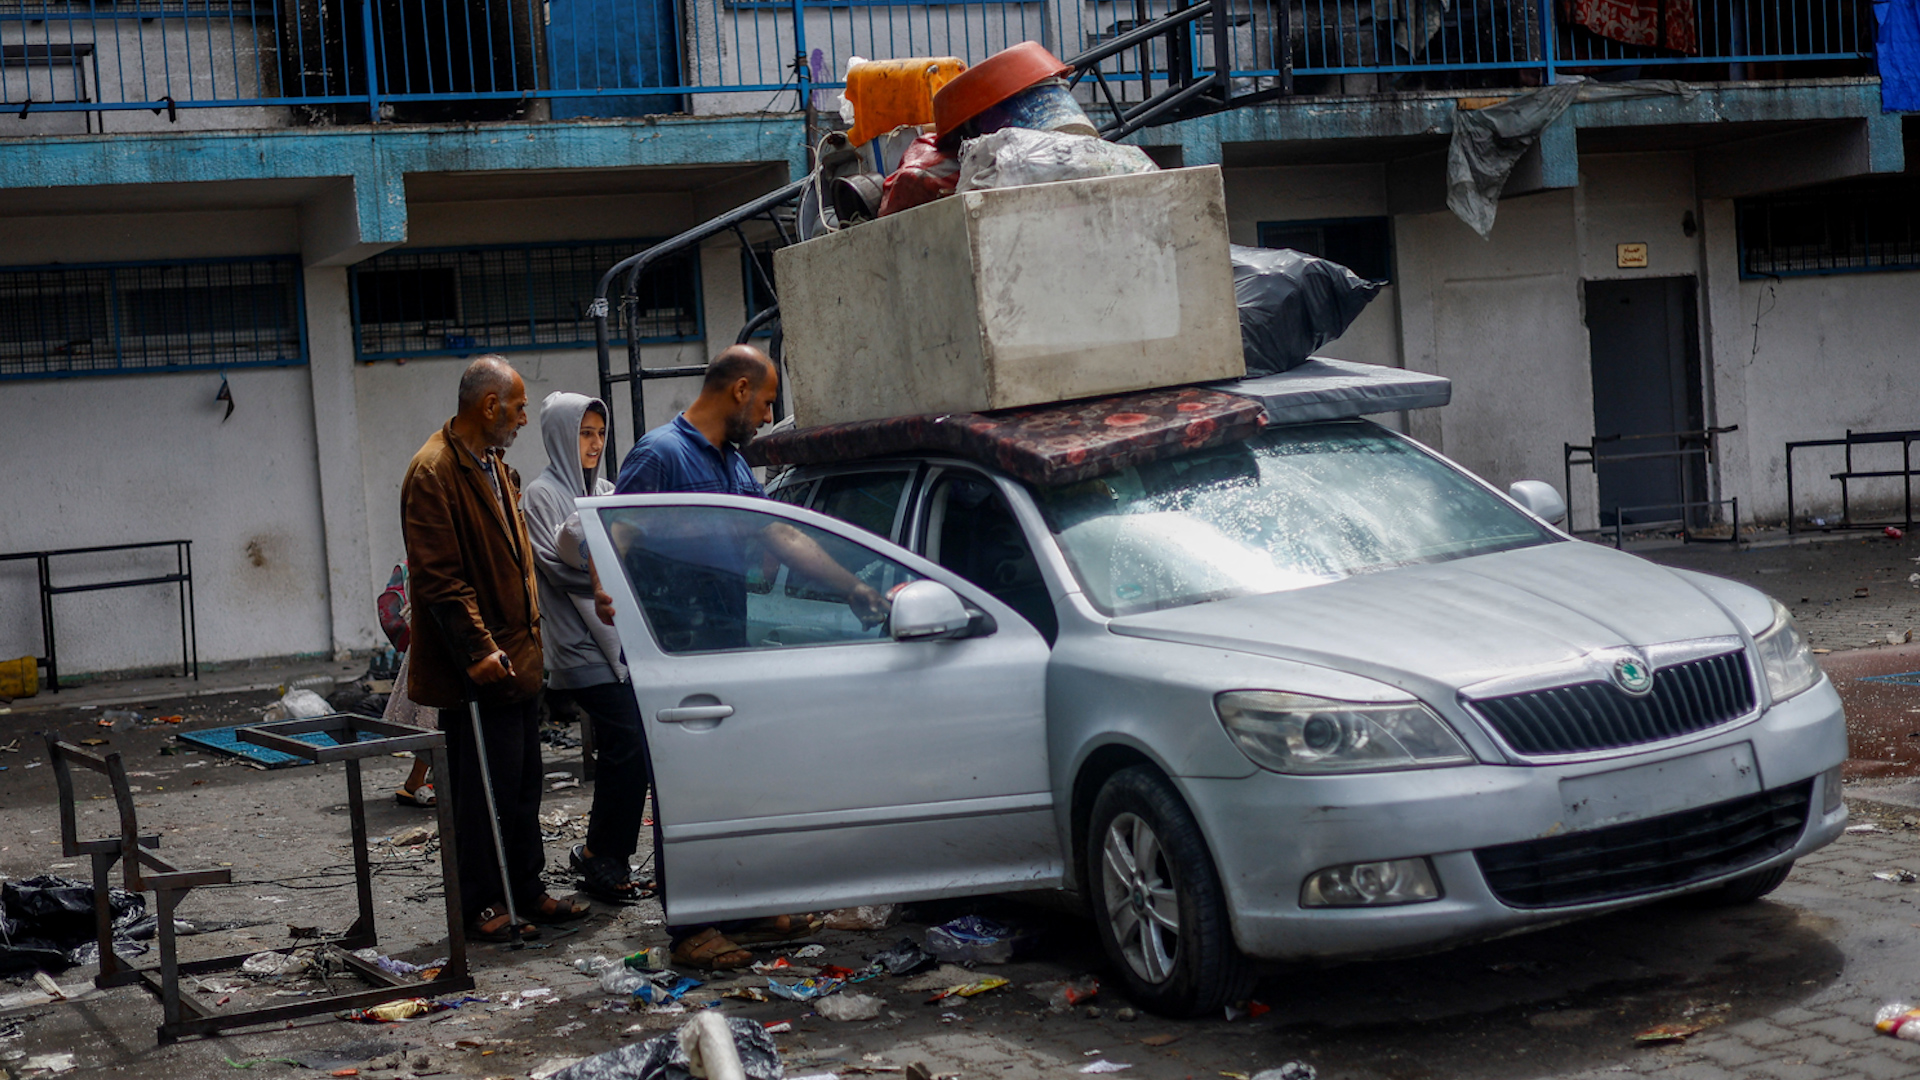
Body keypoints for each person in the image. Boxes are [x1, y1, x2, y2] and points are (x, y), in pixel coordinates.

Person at [608, 344, 886, 968]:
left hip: (721, 651)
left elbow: (778, 533)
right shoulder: (660, 456)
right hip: (675, 660)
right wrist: (614, 606)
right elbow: (615, 547)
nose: (766, 417)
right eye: (764, 402)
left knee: (730, 787)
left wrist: (855, 586)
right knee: (686, 795)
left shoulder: (730, 463)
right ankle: (692, 931)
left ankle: (746, 907)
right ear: (738, 389)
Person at [400, 355, 590, 943]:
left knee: (520, 786)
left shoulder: (494, 467)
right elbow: (440, 579)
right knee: (479, 795)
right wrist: (479, 650)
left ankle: (526, 889)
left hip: (518, 663)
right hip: (476, 671)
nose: (523, 420)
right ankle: (484, 903)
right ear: (490, 406)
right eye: (518, 407)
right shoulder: (433, 472)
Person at [521, 391, 654, 903]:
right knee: (629, 739)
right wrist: (598, 562)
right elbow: (554, 567)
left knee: (630, 743)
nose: (595, 443)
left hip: (618, 643)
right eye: (584, 433)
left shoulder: (605, 488)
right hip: (576, 645)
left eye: (600, 433)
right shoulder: (540, 494)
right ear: (560, 435)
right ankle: (602, 855)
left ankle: (603, 853)